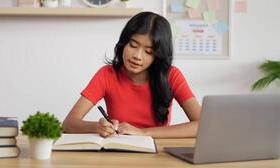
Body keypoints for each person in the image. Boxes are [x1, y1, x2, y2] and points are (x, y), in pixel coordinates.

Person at [62, 11, 201, 138]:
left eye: (148, 51)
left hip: (156, 153)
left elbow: (202, 125)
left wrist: (143, 132)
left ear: (158, 55)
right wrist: (97, 127)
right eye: (133, 45)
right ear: (124, 43)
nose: (137, 56)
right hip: (119, 152)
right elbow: (68, 124)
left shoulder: (171, 76)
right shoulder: (107, 74)